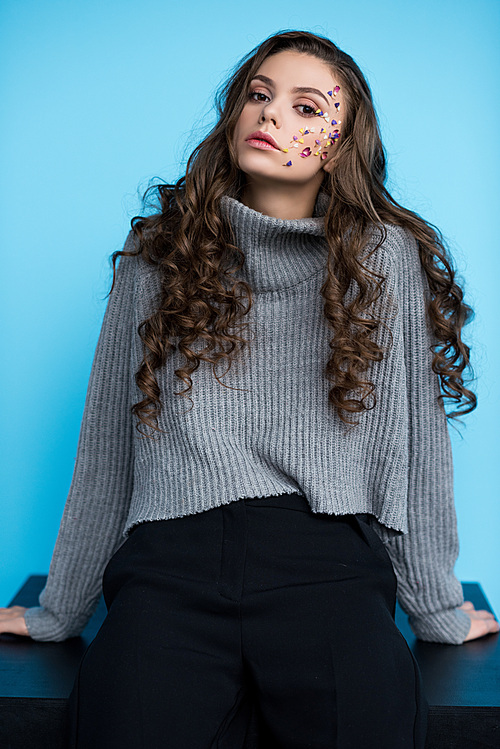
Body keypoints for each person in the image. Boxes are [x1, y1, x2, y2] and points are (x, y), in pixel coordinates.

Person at [1, 29, 498, 749]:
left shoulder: (381, 259)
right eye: (259, 96)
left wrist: (438, 611)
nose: (271, 117)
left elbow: (413, 448)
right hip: (170, 564)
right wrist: (60, 610)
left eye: (305, 108)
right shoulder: (155, 255)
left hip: (326, 564)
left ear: (340, 145)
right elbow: (108, 444)